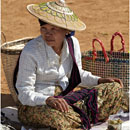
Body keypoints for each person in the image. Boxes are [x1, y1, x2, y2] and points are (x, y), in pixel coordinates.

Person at [16, 0, 124, 130]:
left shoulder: (73, 44)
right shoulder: (31, 51)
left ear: (66, 31)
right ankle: (85, 115)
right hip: (37, 105)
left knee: (114, 88)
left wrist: (99, 80)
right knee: (57, 119)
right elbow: (24, 93)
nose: (47, 34)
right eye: (44, 29)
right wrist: (48, 100)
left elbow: (77, 75)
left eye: (53, 29)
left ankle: (78, 116)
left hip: (67, 99)